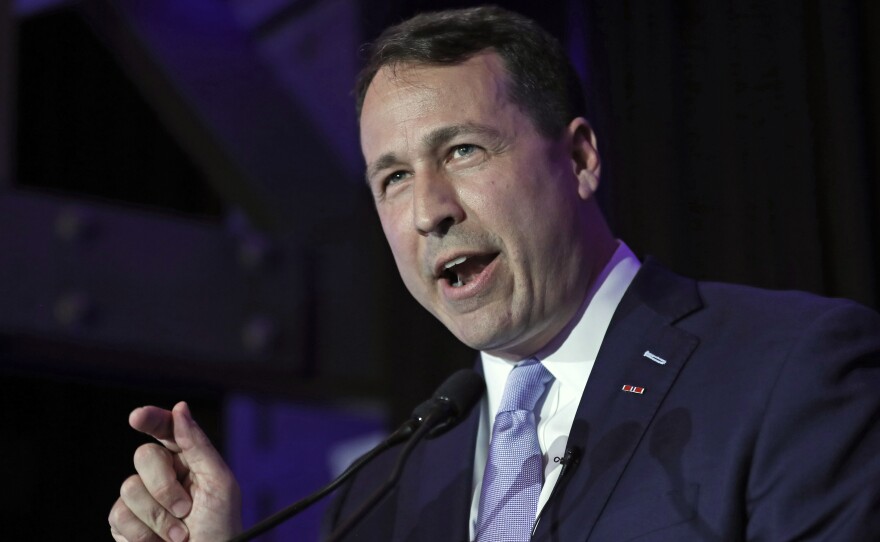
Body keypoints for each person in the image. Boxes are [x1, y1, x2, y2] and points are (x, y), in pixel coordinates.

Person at [108, 6, 880, 542]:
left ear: (578, 158)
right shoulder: (387, 494)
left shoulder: (790, 368)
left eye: (462, 152)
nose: (428, 211)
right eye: (393, 178)